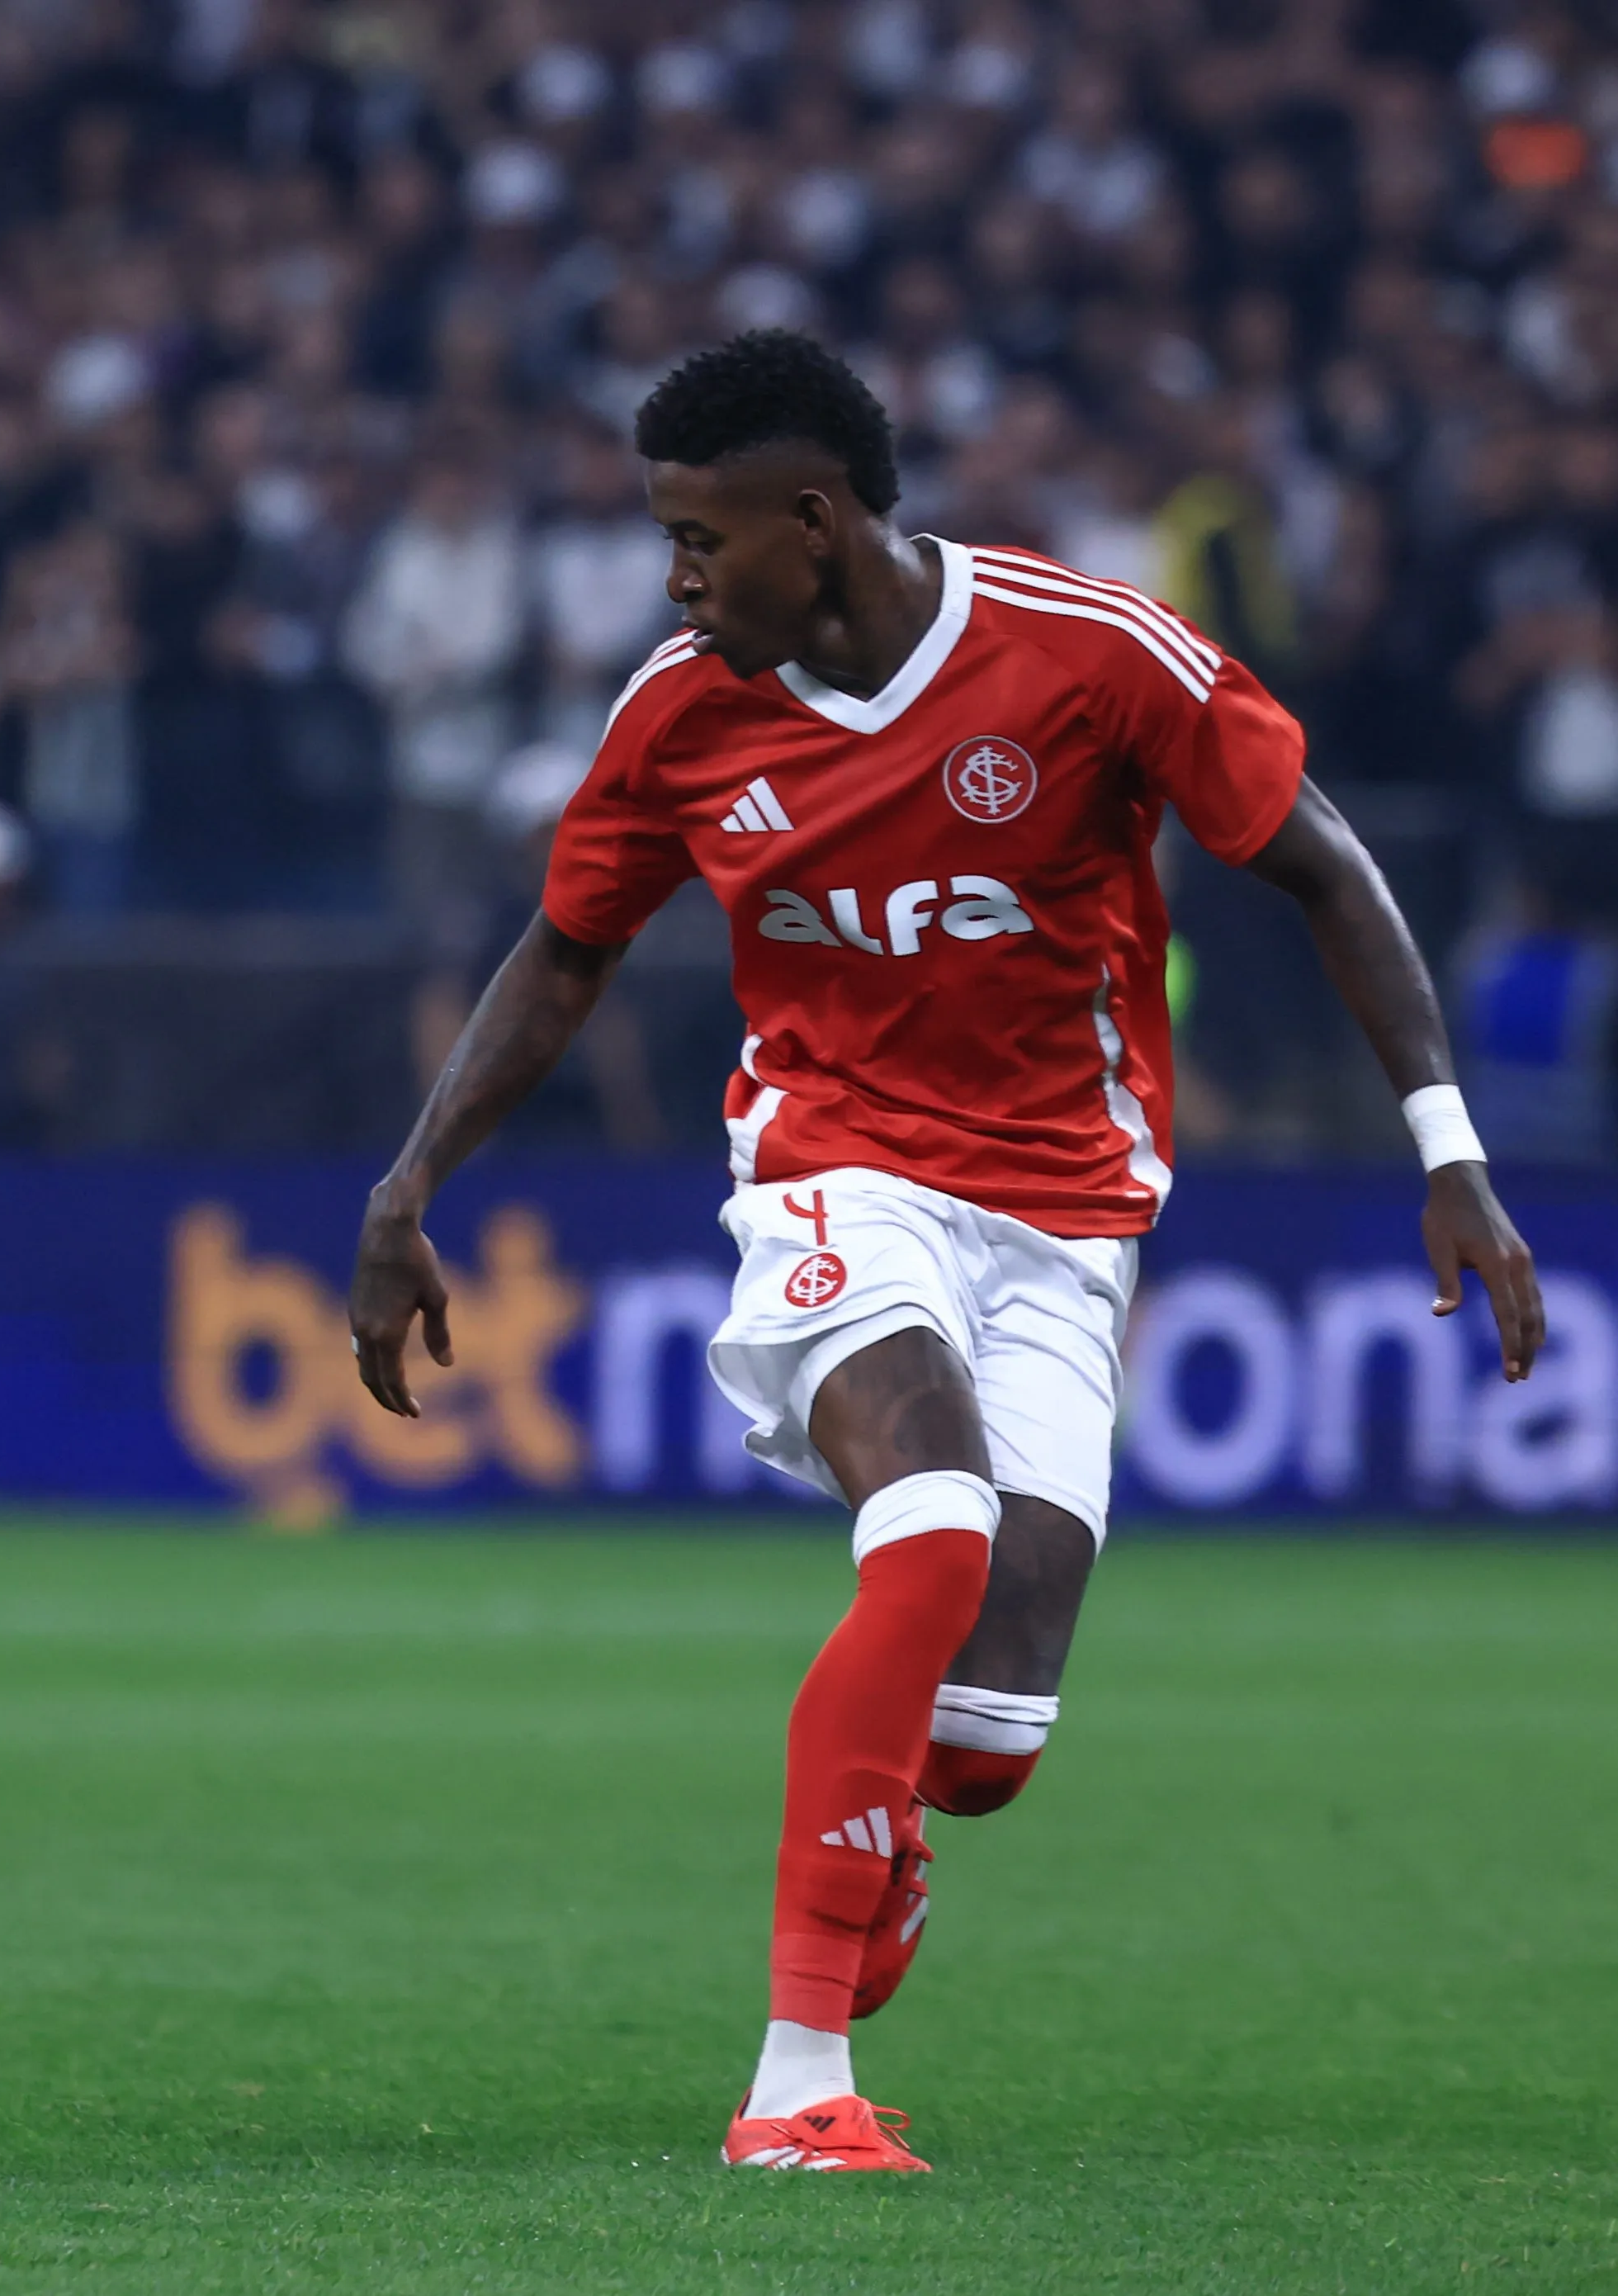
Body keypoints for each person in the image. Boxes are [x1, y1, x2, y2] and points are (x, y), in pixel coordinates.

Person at [345, 330, 1545, 2173]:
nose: (674, 579)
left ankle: (885, 1828)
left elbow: (1321, 864)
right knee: (930, 1524)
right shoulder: (682, 711)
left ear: (811, 524)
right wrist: (408, 1183)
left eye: (697, 539)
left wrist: (1447, 1150)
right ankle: (792, 2089)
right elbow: (567, 948)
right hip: (835, 1172)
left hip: (1068, 1215)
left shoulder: (1089, 653)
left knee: (984, 1747)